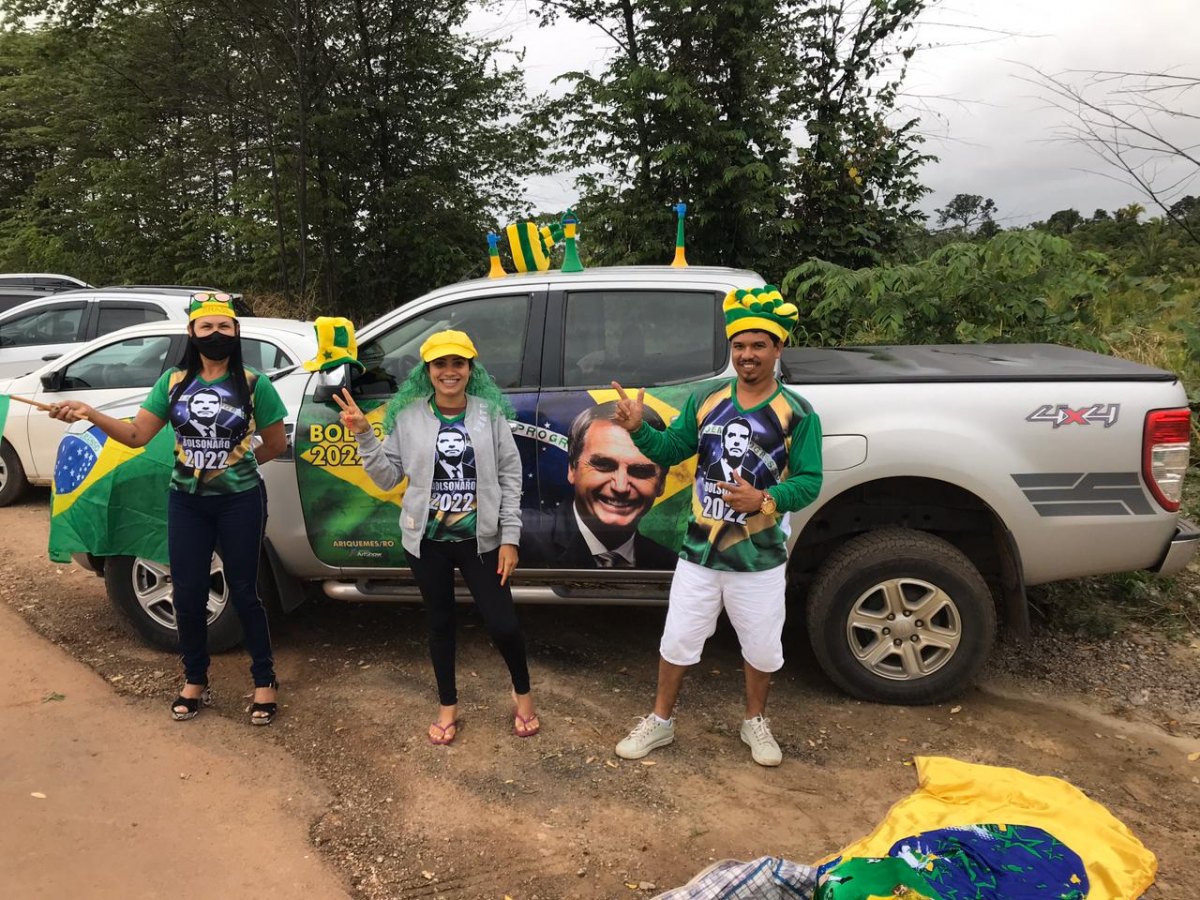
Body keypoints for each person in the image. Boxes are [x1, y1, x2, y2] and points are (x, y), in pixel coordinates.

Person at [50, 291, 287, 725]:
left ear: (236, 332)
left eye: (224, 327)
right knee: (190, 592)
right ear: (192, 332)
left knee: (245, 591)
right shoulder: (174, 383)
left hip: (240, 502)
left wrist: (233, 465)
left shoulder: (256, 384)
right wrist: (90, 413)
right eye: (206, 327)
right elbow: (138, 435)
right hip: (186, 504)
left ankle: (264, 680)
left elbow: (275, 444)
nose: (216, 334)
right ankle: (195, 678)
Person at [611, 286, 823, 767]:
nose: (747, 355)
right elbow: (670, 450)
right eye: (739, 346)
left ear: (778, 348)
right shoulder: (706, 399)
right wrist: (637, 427)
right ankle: (660, 722)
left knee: (763, 649)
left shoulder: (799, 414)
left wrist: (766, 498)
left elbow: (810, 482)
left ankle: (755, 722)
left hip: (760, 556)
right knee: (677, 640)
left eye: (758, 345)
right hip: (700, 554)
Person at [334, 329, 539, 744]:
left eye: (458, 363)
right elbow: (389, 476)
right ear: (427, 371)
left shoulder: (489, 415)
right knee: (440, 623)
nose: (449, 372)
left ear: (470, 369)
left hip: (482, 543)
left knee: (504, 625)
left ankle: (524, 697)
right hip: (426, 544)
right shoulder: (408, 417)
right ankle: (448, 707)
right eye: (440, 364)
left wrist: (510, 537)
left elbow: (510, 475)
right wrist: (363, 434)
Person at [521, 400, 678, 569]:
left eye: (640, 471)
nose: (620, 487)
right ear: (572, 469)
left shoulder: (671, 564)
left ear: (661, 482)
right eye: (604, 465)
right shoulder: (520, 537)